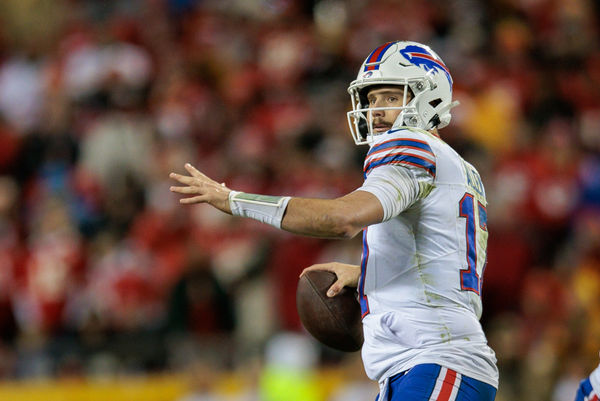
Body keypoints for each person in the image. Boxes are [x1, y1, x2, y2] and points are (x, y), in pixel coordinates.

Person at [170, 40, 498, 400]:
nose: (376, 111)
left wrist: (234, 201)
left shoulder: (412, 146)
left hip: (435, 360)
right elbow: (441, 264)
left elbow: (342, 219)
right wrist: (366, 272)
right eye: (371, 100)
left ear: (429, 96)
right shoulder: (458, 167)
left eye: (391, 97)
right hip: (423, 365)